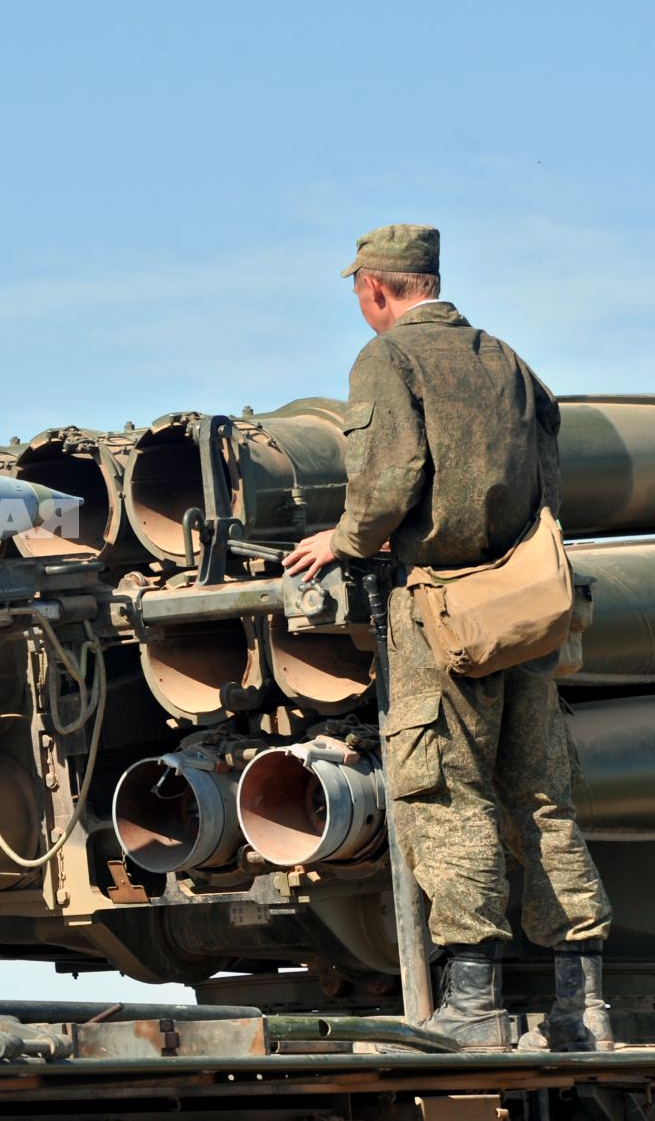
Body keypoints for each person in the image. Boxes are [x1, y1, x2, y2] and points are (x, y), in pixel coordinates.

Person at [284, 224, 612, 1052]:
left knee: (445, 794)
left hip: (444, 609)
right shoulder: (506, 358)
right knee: (543, 797)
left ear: (378, 289)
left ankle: (473, 1003)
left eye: (361, 292)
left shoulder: (388, 360)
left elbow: (390, 477)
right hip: (528, 605)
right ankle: (584, 1004)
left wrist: (346, 540)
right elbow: (550, 473)